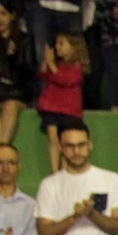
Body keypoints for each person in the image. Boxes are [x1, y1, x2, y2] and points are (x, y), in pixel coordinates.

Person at [0, 0, 37, 145]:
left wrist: (13, 57)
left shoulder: (24, 39)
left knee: (10, 105)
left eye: (3, 13)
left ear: (12, 15)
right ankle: (1, 154)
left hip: (16, 90)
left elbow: (30, 72)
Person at [38, 30, 87, 173]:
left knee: (67, 140)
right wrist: (46, 62)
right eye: (56, 44)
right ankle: (55, 170)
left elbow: (65, 79)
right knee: (53, 140)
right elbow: (42, 74)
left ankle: (66, 169)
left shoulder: (77, 67)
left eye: (62, 44)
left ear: (74, 46)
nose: (57, 47)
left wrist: (51, 65)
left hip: (69, 110)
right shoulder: (56, 64)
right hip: (52, 108)